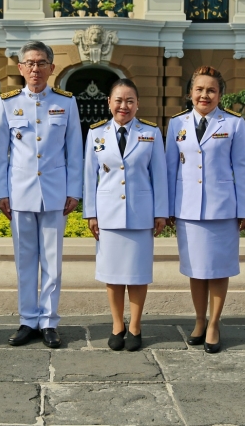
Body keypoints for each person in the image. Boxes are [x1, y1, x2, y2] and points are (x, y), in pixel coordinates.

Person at [0, 40, 83, 348]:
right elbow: (0, 153)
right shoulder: (7, 102)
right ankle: (27, 319)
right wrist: (1, 192)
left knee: (52, 261)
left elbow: (75, 151)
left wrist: (74, 190)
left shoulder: (66, 102)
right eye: (29, 63)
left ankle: (49, 321)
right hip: (20, 193)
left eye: (41, 63)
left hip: (54, 193)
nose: (35, 68)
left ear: (51, 68)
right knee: (25, 260)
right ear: (20, 68)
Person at [165, 67, 245, 353]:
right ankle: (199, 321)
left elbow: (242, 167)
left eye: (211, 90)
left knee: (218, 269)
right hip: (188, 209)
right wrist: (166, 209)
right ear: (190, 93)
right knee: (196, 270)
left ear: (220, 95)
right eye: (199, 89)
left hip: (222, 209)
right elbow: (169, 169)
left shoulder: (234, 124)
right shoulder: (176, 124)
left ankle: (214, 323)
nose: (205, 95)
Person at [83, 79, 167, 351]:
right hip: (108, 215)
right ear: (109, 102)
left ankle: (135, 326)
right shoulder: (96, 133)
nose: (124, 106)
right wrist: (91, 214)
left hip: (140, 214)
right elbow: (89, 177)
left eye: (130, 101)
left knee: (138, 274)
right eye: (118, 100)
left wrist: (160, 212)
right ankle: (117, 324)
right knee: (113, 274)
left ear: (138, 104)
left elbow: (160, 177)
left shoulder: (150, 133)